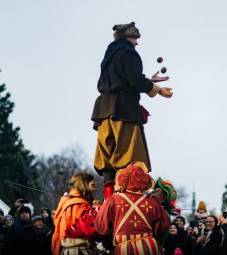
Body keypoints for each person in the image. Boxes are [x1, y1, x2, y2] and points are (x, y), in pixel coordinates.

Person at [91, 22, 173, 200]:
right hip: (124, 111)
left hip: (104, 112)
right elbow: (134, 80)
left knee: (107, 161)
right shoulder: (128, 53)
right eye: (135, 38)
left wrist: (149, 81)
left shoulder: (109, 56)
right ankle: (125, 201)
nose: (137, 43)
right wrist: (158, 90)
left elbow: (124, 80)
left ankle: (108, 202)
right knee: (129, 158)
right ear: (127, 37)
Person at [95, 162, 170, 255]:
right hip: (149, 248)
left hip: (124, 249)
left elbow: (101, 225)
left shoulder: (113, 200)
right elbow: (164, 225)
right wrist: (157, 242)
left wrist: (109, 245)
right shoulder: (152, 202)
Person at [52, 172, 97, 255]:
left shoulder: (65, 201)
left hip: (66, 250)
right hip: (79, 251)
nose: (94, 189)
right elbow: (87, 230)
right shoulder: (80, 205)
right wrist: (97, 211)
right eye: (92, 185)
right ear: (83, 185)